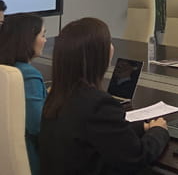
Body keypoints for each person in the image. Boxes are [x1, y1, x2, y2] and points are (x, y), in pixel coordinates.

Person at [39, 17, 169, 174]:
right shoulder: (97, 104)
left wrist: (142, 127)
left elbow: (101, 132)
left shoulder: (56, 95)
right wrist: (158, 131)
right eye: (109, 42)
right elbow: (137, 156)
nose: (112, 48)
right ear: (96, 55)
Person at [0, 13, 47, 175]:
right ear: (28, 39)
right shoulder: (28, 75)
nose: (45, 41)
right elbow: (38, 126)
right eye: (43, 35)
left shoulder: (5, 69)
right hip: (32, 160)